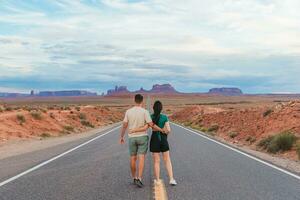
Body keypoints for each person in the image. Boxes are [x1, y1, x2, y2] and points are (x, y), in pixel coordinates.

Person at [120, 94, 165, 188]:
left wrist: (121, 136)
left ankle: (134, 177)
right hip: (142, 137)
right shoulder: (145, 112)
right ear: (142, 101)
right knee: (141, 158)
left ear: (134, 100)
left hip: (132, 137)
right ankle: (139, 178)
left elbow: (124, 125)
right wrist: (161, 130)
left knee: (133, 158)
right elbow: (151, 124)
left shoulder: (128, 112)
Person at [131, 100, 177, 186]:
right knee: (167, 160)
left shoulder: (150, 117)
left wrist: (134, 130)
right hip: (163, 139)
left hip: (155, 139)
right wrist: (164, 132)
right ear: (161, 108)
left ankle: (158, 180)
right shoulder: (164, 117)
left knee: (156, 161)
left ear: (153, 108)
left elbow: (145, 127)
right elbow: (169, 130)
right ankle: (171, 179)